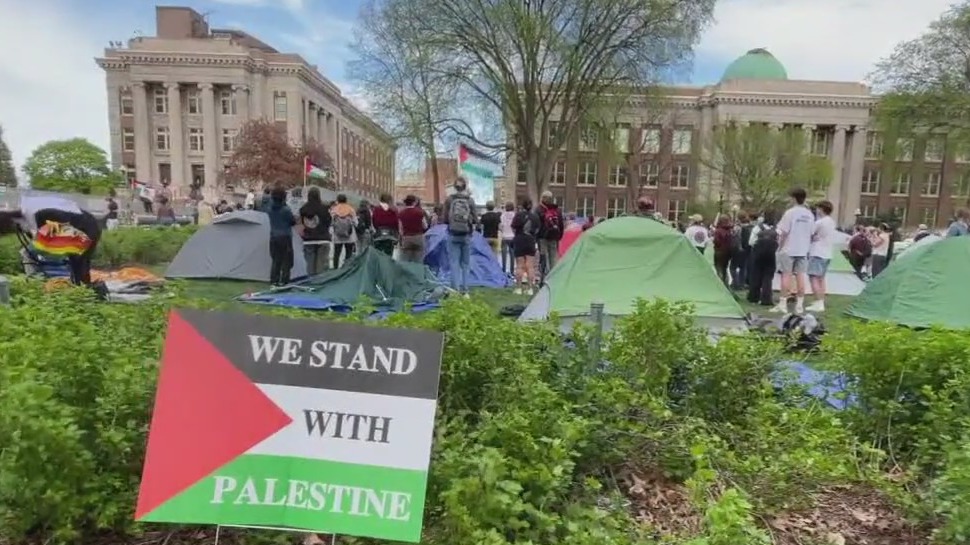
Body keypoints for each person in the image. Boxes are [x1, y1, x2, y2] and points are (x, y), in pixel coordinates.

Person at [0, 195, 102, 286]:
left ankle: (82, 290)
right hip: (83, 226)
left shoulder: (38, 214)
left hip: (86, 227)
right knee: (77, 262)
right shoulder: (27, 213)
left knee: (79, 261)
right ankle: (80, 288)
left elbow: (59, 227)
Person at [774, 188, 814, 314]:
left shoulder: (790, 213)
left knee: (786, 275)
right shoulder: (809, 215)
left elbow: (784, 232)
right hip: (803, 249)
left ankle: (782, 304)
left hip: (789, 248)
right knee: (801, 276)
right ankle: (799, 305)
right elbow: (812, 233)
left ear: (794, 198)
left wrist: (780, 246)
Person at [441, 177, 477, 296]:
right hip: (466, 235)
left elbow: (444, 219)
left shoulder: (449, 200)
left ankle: (455, 289)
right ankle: (465, 290)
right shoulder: (470, 200)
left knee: (454, 262)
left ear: (454, 187)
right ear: (465, 186)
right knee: (465, 264)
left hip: (452, 233)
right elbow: (475, 219)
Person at [806, 200, 836, 312]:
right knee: (821, 279)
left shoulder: (819, 222)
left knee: (813, 277)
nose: (817, 210)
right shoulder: (831, 222)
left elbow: (810, 234)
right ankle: (820, 301)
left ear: (822, 209)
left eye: (818, 208)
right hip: (827, 253)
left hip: (817, 252)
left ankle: (818, 303)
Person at [265, 186, 296, 287]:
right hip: (285, 237)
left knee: (276, 260)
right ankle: (285, 281)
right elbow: (293, 221)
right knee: (286, 261)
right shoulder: (286, 210)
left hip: (273, 236)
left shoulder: (269, 209)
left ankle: (274, 280)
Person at [747, 212, 778, 307]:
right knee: (768, 277)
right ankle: (766, 298)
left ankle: (754, 297)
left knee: (756, 275)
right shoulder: (775, 230)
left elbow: (751, 242)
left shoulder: (757, 228)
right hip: (771, 255)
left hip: (758, 254)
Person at [299, 187, 331, 276]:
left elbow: (301, 223)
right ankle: (320, 284)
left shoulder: (303, 209)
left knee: (310, 266)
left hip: (309, 239)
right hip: (323, 238)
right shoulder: (324, 208)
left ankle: (311, 283)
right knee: (321, 266)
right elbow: (328, 222)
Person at [511, 198, 540, 295]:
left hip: (519, 240)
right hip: (530, 240)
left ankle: (519, 288)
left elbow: (513, 228)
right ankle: (530, 288)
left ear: (522, 206)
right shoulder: (535, 217)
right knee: (530, 265)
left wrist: (518, 234)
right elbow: (537, 230)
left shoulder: (518, 215)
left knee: (519, 265)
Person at [534, 191, 564, 280]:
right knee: (553, 256)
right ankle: (553, 275)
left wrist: (536, 237)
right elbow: (561, 224)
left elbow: (536, 224)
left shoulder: (538, 209)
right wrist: (560, 235)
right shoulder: (557, 209)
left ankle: (544, 276)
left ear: (543, 198)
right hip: (554, 236)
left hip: (542, 236)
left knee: (543, 256)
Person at [398, 194, 427, 263]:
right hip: (418, 237)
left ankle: (408, 272)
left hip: (407, 237)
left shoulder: (401, 213)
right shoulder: (420, 212)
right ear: (414, 202)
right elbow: (425, 226)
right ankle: (418, 272)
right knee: (419, 260)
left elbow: (400, 229)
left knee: (406, 261)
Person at [331, 194, 358, 268]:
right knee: (348, 254)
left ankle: (335, 270)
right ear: (346, 200)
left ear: (338, 200)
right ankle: (346, 269)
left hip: (337, 237)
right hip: (349, 236)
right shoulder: (351, 209)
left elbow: (331, 223)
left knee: (336, 254)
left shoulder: (334, 210)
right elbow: (356, 223)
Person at [712, 216, 735, 287]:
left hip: (719, 251)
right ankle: (726, 282)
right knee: (725, 268)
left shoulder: (718, 231)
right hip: (728, 252)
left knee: (718, 267)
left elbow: (716, 241)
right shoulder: (730, 230)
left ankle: (720, 284)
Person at [499, 202, 516, 274]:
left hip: (505, 236)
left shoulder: (502, 215)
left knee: (504, 255)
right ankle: (512, 271)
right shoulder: (515, 215)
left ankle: (503, 269)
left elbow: (500, 226)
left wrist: (503, 231)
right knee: (512, 255)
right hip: (512, 237)